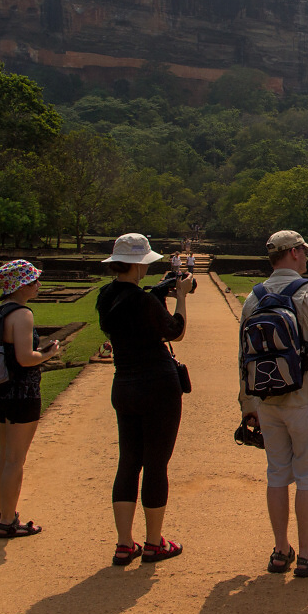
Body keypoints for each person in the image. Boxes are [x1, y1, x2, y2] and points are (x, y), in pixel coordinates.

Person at [239, 230, 308, 577]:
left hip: (268, 399)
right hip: (305, 396)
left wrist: (247, 403)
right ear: (296, 252)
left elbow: (243, 356)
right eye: (305, 251)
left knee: (276, 475)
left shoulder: (253, 298)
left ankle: (280, 550)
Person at [97, 232, 193, 565]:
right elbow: (176, 331)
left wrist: (157, 294)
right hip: (158, 386)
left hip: (124, 383)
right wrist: (179, 295)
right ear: (139, 265)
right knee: (155, 464)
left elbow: (124, 322)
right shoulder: (145, 301)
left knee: (129, 461)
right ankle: (154, 542)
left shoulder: (106, 297)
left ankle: (125, 543)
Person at [0, 259, 61, 539]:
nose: (38, 285)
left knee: (5, 454)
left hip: (1, 390)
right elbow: (24, 358)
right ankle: (9, 520)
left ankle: (0, 510)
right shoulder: (22, 314)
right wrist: (49, 353)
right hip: (22, 392)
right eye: (33, 281)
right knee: (16, 459)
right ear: (21, 285)